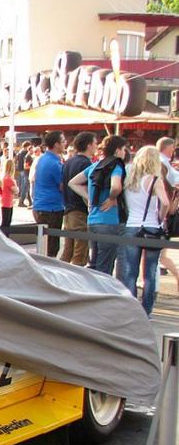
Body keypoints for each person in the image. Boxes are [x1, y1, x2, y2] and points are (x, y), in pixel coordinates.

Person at [117, 145, 171, 316]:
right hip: (151, 227)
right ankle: (146, 309)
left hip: (132, 225)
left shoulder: (129, 180)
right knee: (150, 271)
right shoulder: (154, 180)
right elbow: (165, 202)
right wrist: (160, 217)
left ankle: (131, 307)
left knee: (130, 270)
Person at [68, 135, 128, 275]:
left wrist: (89, 197)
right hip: (110, 220)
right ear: (118, 150)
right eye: (124, 149)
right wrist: (112, 198)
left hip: (93, 220)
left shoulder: (95, 166)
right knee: (104, 265)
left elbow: (73, 182)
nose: (125, 153)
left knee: (94, 262)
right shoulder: (116, 165)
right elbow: (116, 186)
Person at [59, 132, 96, 267]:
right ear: (89, 145)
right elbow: (87, 187)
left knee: (68, 250)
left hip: (68, 209)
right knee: (80, 252)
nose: (96, 146)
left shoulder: (68, 162)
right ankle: (75, 277)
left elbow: (62, 185)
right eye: (95, 143)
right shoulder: (86, 164)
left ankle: (60, 274)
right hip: (80, 210)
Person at [32, 131, 66, 258]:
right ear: (56, 144)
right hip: (51, 208)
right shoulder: (54, 163)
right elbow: (62, 186)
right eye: (63, 141)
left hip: (41, 206)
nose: (65, 143)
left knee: (44, 247)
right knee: (51, 248)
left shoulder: (42, 159)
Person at [0, 158, 18, 237]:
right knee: (6, 223)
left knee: (5, 221)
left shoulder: (2, 178)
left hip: (4, 201)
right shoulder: (9, 179)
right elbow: (16, 190)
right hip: (8, 202)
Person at [17, 143, 33, 207]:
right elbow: (25, 166)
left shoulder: (20, 153)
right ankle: (21, 201)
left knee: (27, 187)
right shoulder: (27, 155)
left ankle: (30, 201)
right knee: (25, 187)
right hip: (25, 172)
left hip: (22, 171)